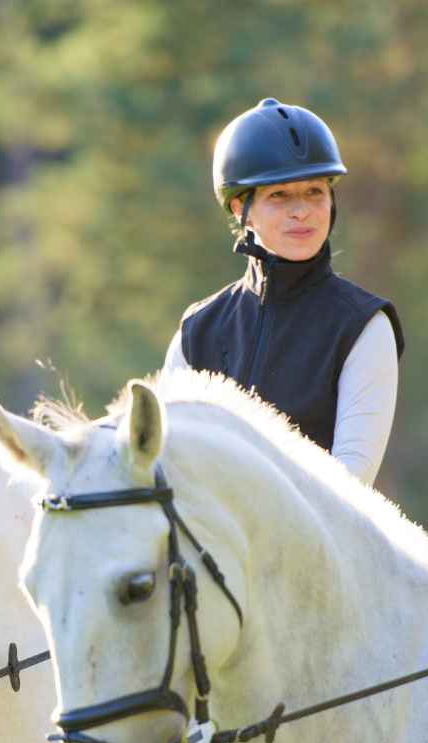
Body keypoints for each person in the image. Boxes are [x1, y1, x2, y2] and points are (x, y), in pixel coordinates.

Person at [163, 98, 404, 487]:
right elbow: (170, 466)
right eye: (279, 196)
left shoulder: (364, 325)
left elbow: (349, 487)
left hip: (317, 544)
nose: (302, 211)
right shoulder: (197, 331)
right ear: (241, 206)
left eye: (314, 192)